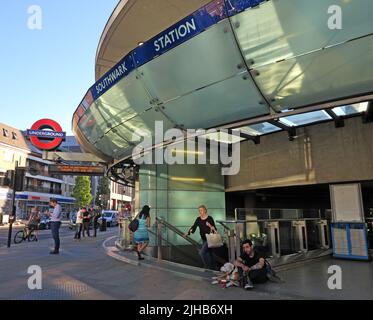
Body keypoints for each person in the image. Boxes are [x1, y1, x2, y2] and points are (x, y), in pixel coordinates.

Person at [184, 205, 217, 270]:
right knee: (209, 253)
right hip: (204, 239)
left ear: (205, 210)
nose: (200, 212)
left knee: (202, 252)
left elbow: (214, 229)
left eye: (201, 210)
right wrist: (188, 233)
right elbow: (193, 227)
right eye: (199, 211)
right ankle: (214, 268)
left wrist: (210, 225)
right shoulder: (198, 219)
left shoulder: (209, 218)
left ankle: (208, 267)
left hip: (209, 238)